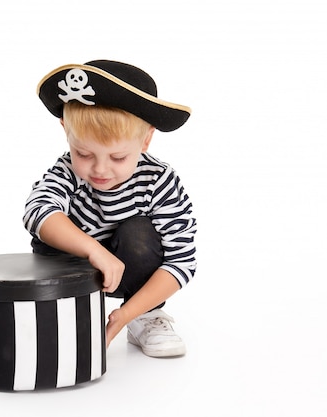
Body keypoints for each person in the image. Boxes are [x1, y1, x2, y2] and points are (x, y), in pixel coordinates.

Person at [23, 60, 197, 357]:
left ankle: (146, 316)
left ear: (146, 139)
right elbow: (37, 210)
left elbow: (182, 261)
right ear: (66, 131)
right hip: (72, 269)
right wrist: (93, 249)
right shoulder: (67, 171)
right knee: (52, 230)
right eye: (84, 153)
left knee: (140, 233)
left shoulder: (158, 180)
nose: (100, 169)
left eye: (117, 157)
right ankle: (67, 311)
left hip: (129, 270)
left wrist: (126, 314)